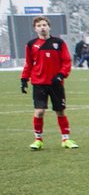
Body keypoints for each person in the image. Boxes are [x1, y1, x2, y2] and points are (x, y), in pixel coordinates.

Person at [20, 16, 78, 150]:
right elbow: (28, 64)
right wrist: (24, 79)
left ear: (49, 27)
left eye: (44, 25)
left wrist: (61, 75)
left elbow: (67, 61)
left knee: (60, 111)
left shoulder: (59, 43)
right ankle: (38, 140)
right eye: (39, 25)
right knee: (39, 111)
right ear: (35, 28)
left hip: (56, 84)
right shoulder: (31, 45)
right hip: (39, 83)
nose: (42, 27)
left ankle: (66, 139)